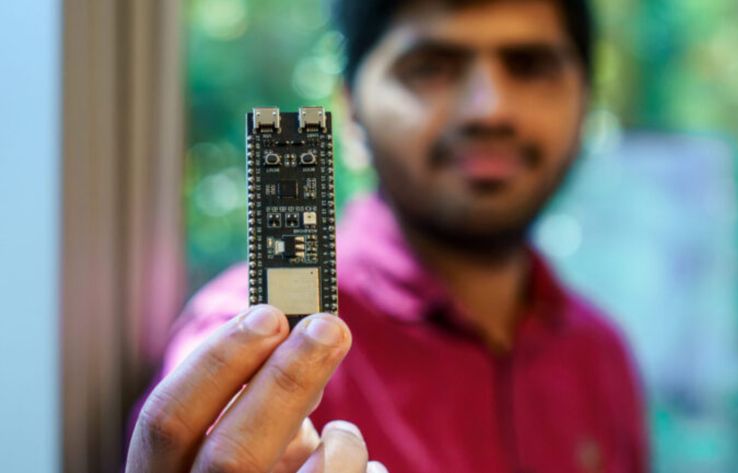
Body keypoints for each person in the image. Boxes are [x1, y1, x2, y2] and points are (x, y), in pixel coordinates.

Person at [127, 0, 648, 471]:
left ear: (585, 101)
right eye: (430, 68)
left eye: (530, 66)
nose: (490, 108)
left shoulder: (600, 356)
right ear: (350, 112)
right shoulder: (246, 343)